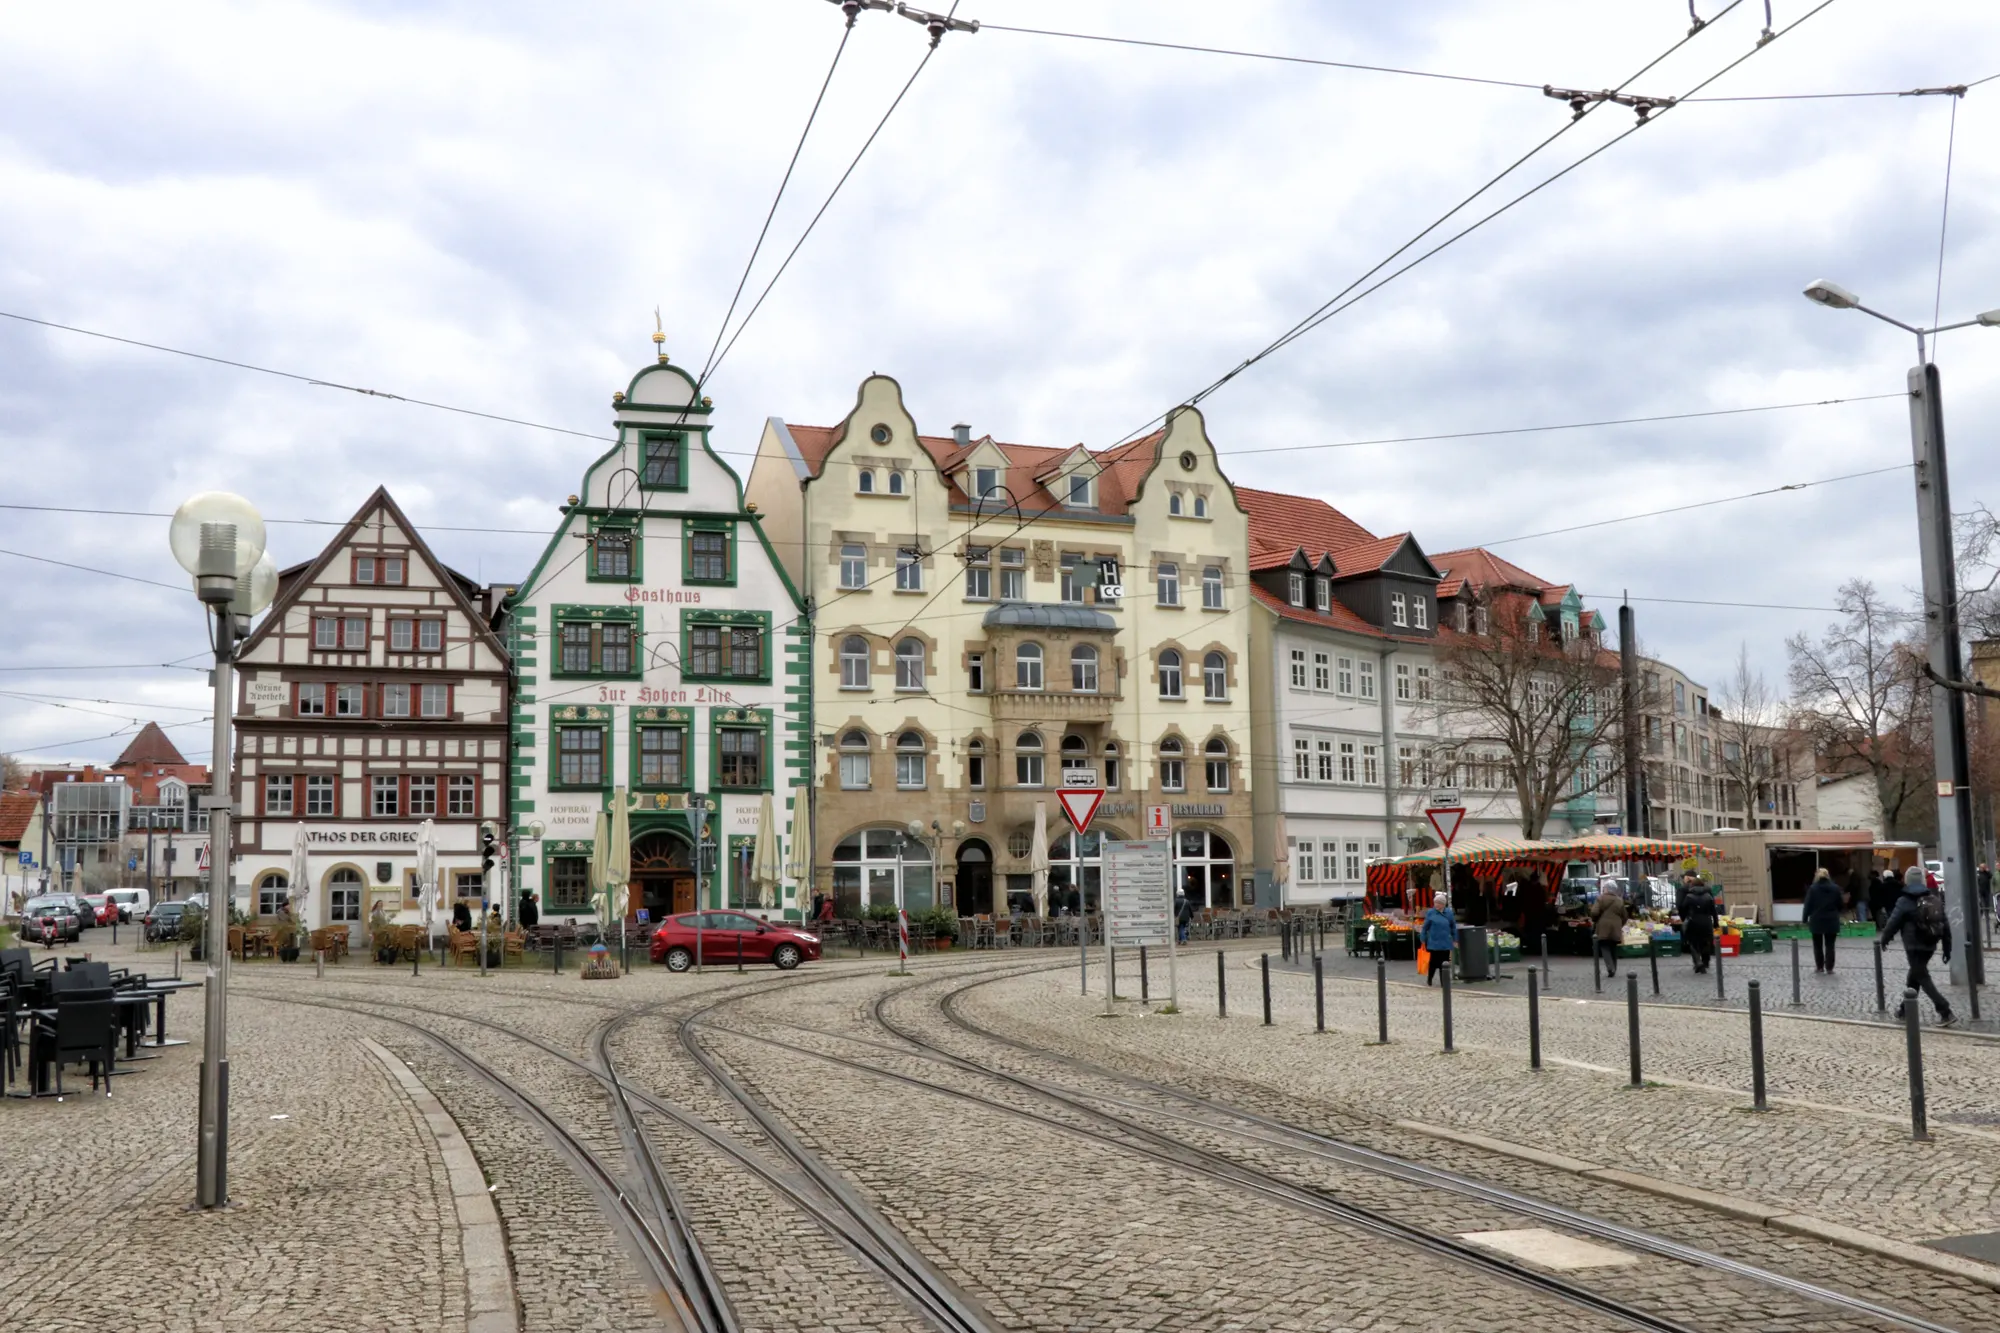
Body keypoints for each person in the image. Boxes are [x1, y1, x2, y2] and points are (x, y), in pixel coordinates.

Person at [1879, 865, 1956, 1025]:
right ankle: (1904, 1010)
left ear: (1907, 881)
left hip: (1913, 946)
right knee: (1915, 975)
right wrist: (1947, 948)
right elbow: (1945, 925)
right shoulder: (1934, 899)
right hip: (1930, 944)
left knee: (1921, 976)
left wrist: (1885, 938)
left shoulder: (1904, 900)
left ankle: (1945, 1010)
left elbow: (1893, 922)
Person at [1803, 867, 1844, 974]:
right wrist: (1837, 911)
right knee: (1830, 945)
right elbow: (1840, 904)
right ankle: (1829, 967)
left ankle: (1819, 967)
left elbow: (1808, 905)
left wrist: (1804, 918)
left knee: (1817, 945)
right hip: (1831, 919)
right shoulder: (1835, 888)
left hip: (1817, 919)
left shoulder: (1813, 888)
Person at [1681, 875, 1718, 974]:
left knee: (1693, 943)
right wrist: (1716, 923)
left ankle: (1698, 961)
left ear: (1692, 885)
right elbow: (1714, 911)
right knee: (1706, 942)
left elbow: (1683, 909)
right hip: (1706, 921)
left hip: (1693, 921)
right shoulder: (1708, 896)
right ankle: (1705, 962)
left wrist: (1685, 918)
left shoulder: (1689, 896)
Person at [1590, 883, 1628, 977]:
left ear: (1606, 889)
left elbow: (1594, 912)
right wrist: (1619, 924)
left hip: (1603, 927)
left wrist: (1595, 920)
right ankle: (1614, 968)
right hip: (1615, 927)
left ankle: (1610, 968)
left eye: (1604, 888)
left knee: (1605, 947)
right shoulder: (1619, 901)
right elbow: (1625, 916)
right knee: (1613, 947)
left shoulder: (1600, 899)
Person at [1421, 891, 1457, 986]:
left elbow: (1453, 926)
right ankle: (1430, 979)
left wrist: (1455, 939)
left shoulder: (1449, 913)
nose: (1436, 905)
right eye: (1435, 903)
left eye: (1438, 903)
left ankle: (1443, 982)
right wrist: (1423, 939)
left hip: (1445, 942)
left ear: (1443, 904)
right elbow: (1425, 927)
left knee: (1444, 964)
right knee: (1433, 963)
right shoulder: (1431, 913)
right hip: (1433, 943)